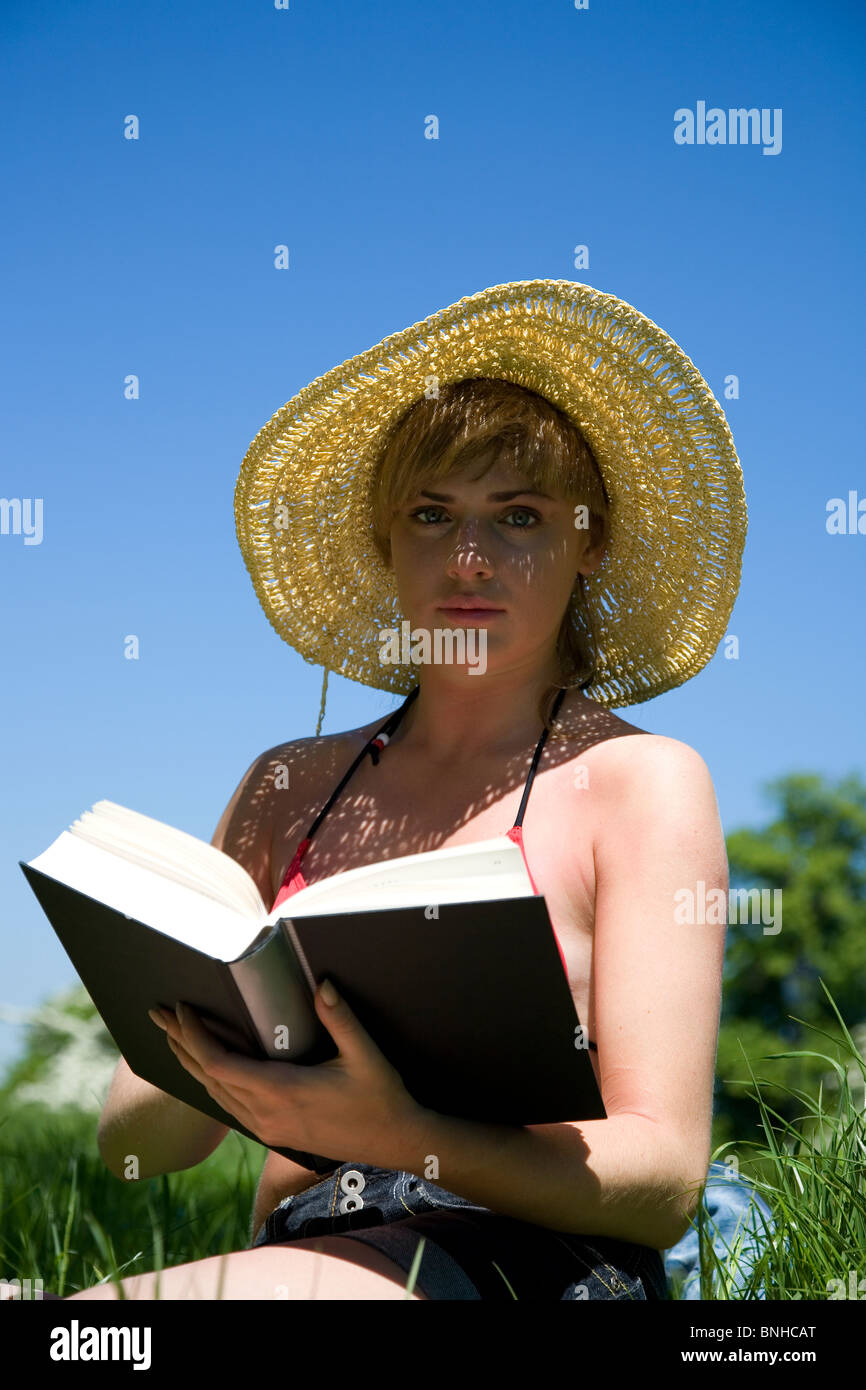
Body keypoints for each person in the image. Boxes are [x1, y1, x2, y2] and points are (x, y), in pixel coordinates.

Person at [69, 278, 748, 1300]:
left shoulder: (638, 783)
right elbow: (136, 1145)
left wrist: (405, 1136)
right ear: (387, 541)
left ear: (588, 539)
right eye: (431, 514)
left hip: (528, 1252)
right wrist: (219, 1049)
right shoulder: (287, 785)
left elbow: (658, 1183)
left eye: (517, 515)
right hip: (307, 1249)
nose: (468, 559)